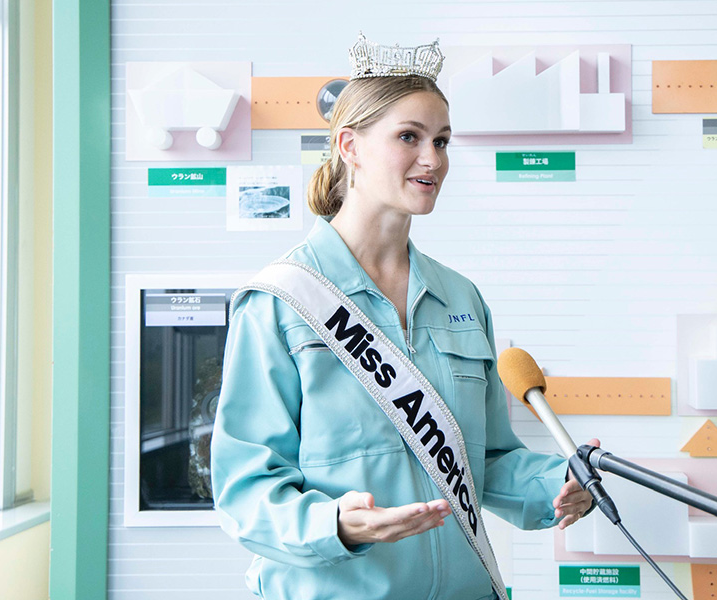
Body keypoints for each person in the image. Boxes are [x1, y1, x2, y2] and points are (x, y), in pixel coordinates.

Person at [211, 34, 597, 600]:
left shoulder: (461, 297)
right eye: (408, 137)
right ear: (350, 145)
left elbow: (485, 457)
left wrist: (556, 484)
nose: (432, 159)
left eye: (441, 140)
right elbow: (246, 489)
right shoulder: (279, 302)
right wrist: (336, 524)